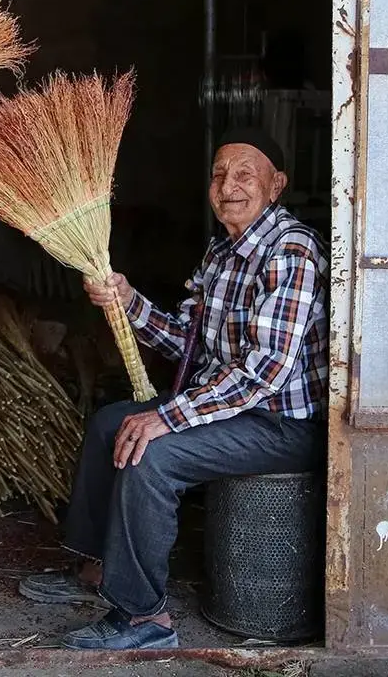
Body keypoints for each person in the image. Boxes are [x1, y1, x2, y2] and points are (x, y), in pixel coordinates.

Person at [19, 127, 328, 650]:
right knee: (108, 424)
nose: (228, 185)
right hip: (231, 409)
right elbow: (186, 340)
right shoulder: (222, 251)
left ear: (276, 185)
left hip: (282, 423)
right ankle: (98, 568)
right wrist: (126, 298)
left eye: (244, 174)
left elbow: (265, 370)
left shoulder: (290, 251)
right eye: (219, 174)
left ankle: (144, 619)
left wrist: (168, 417)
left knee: (151, 455)